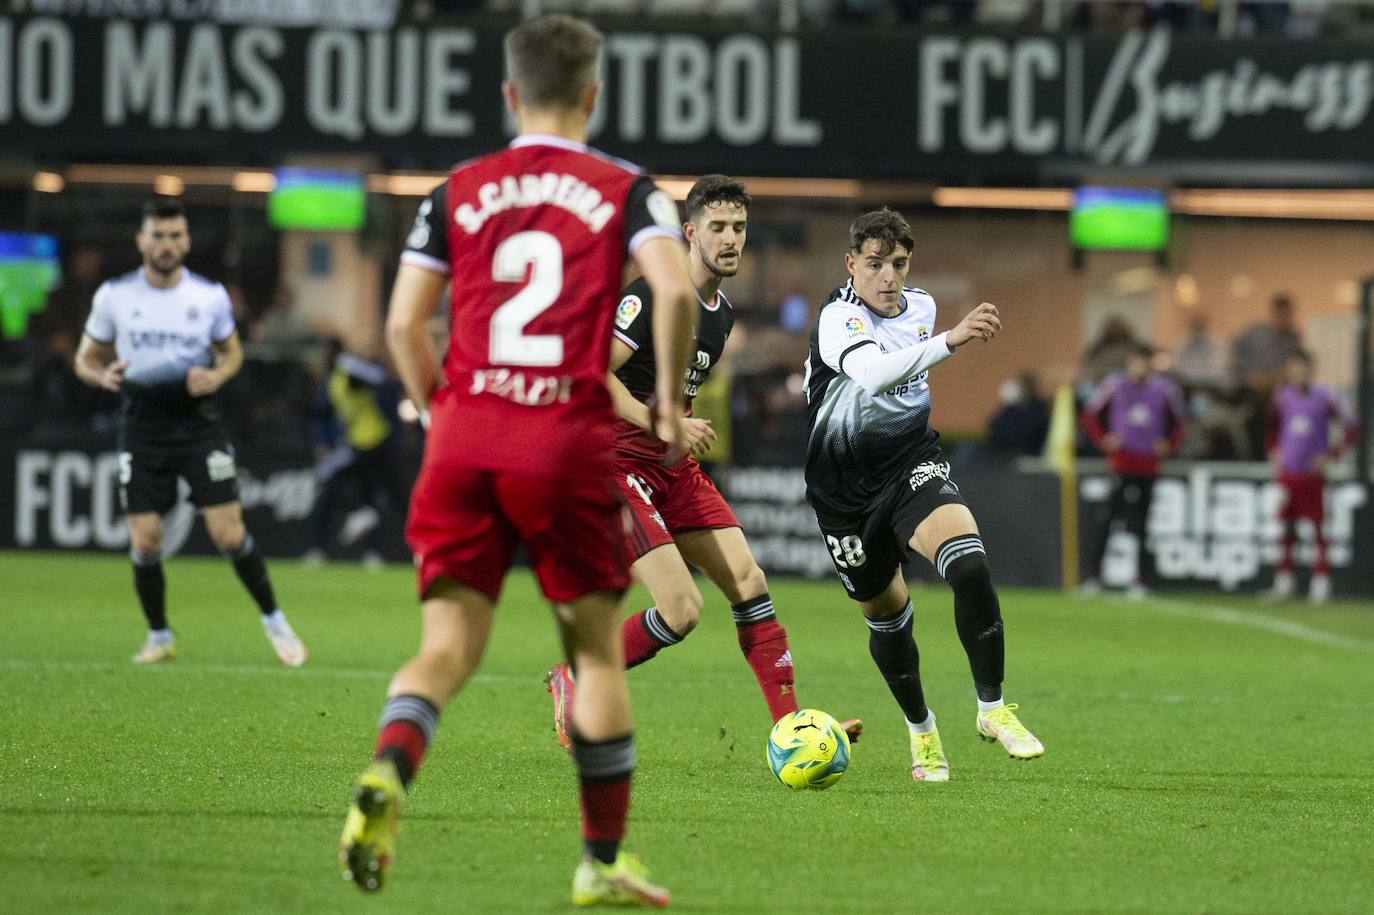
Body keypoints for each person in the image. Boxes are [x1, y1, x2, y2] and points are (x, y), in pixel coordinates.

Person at [337, 15, 697, 908]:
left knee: (445, 647)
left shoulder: (456, 188)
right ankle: (602, 858)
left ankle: (389, 768)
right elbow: (678, 287)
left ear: (508, 94)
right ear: (593, 94)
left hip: (465, 438)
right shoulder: (624, 187)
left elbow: (398, 325)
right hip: (565, 441)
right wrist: (665, 403)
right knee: (595, 657)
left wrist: (435, 404)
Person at [544, 176, 861, 748]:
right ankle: (577, 676)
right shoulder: (652, 297)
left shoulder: (722, 314)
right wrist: (663, 421)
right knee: (683, 609)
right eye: (717, 227)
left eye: (739, 228)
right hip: (613, 465)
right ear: (689, 233)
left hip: (671, 467)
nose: (730, 239)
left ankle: (792, 729)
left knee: (749, 580)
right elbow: (593, 375)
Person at [802, 208, 1043, 784]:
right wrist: (952, 341)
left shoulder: (923, 307)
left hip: (911, 463)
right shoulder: (838, 319)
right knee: (888, 622)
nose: (889, 277)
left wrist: (940, 335)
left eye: (899, 264)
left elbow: (908, 367)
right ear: (851, 264)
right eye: (876, 264)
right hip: (844, 495)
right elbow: (876, 375)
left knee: (969, 563)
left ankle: (992, 708)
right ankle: (921, 730)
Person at [72, 197, 308, 667]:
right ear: (141, 241)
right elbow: (85, 358)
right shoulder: (114, 296)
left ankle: (274, 619)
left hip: (197, 425)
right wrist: (100, 376)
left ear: (187, 241)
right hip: (141, 426)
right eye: (157, 236)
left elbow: (232, 353)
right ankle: (159, 636)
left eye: (175, 235)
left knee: (228, 533)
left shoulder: (209, 296)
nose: (166, 244)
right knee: (144, 540)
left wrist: (216, 377)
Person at [1079, 344, 1188, 597]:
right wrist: (1103, 440)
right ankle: (1094, 576)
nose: (1139, 368)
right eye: (1135, 363)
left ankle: (1139, 579)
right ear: (1129, 364)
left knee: (1141, 523)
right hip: (1121, 463)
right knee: (1107, 519)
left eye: (1144, 363)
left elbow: (1180, 423)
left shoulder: (1165, 390)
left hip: (1148, 465)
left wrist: (1168, 445)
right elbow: (1090, 416)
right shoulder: (1113, 385)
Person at [1264, 351, 1358, 603]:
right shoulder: (1282, 397)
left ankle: (1321, 582)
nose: (1298, 373)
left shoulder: (1326, 397)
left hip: (1311, 474)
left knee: (1317, 527)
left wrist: (1331, 455)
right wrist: (1275, 452)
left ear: (1311, 369)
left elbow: (1351, 427)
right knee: (1286, 528)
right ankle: (1283, 581)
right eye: (1293, 369)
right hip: (1288, 473)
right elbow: (1271, 430)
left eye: (1302, 368)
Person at [305, 346, 402, 570]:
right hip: (364, 442)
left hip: (369, 441)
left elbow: (378, 379)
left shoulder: (348, 370)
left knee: (330, 479)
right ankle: (361, 517)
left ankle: (366, 532)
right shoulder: (333, 381)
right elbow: (323, 414)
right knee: (368, 492)